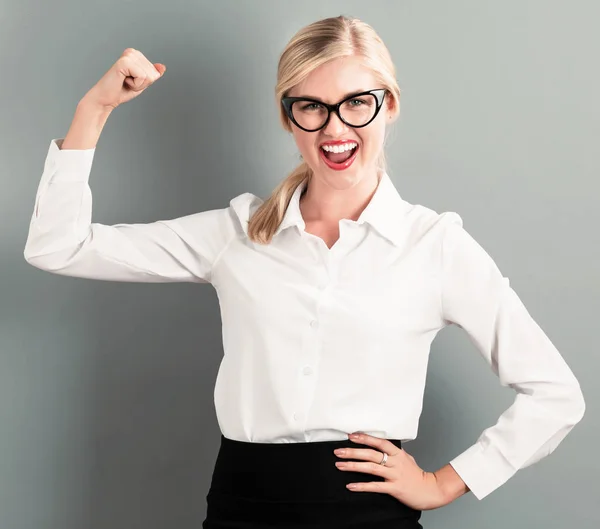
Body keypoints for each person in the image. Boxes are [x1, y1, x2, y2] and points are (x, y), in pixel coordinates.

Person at [24, 14, 585, 529]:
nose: (334, 127)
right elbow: (59, 247)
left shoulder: (434, 245)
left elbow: (556, 395)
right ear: (288, 116)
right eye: (311, 106)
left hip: (369, 517)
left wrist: (443, 484)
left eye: (355, 102)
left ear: (388, 106)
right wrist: (94, 110)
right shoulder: (237, 233)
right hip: (241, 507)